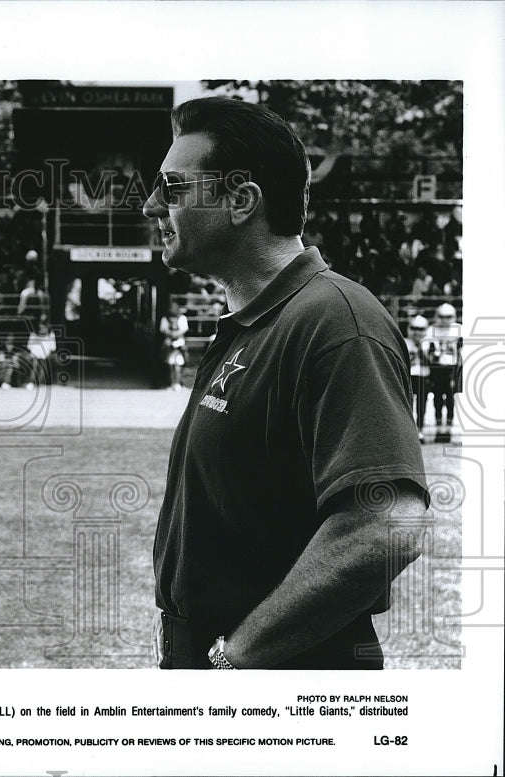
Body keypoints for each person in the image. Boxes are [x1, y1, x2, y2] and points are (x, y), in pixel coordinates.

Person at [141, 97, 428, 670]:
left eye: (171, 188)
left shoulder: (336, 320)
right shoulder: (263, 320)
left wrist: (236, 657)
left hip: (285, 678)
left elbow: (386, 521)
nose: (151, 206)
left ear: (241, 202)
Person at [423, 302, 462, 442]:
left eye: (448, 317)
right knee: (438, 398)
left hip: (452, 367)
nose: (445, 320)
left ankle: (449, 428)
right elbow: (425, 347)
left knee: (451, 399)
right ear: (437, 316)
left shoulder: (458, 329)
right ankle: (440, 428)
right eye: (442, 317)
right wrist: (433, 356)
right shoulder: (432, 329)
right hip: (437, 368)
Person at [405, 315, 432, 443]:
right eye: (414, 328)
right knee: (407, 404)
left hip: (423, 376)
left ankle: (420, 430)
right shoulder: (404, 342)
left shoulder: (428, 343)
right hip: (409, 375)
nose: (417, 332)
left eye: (421, 329)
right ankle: (408, 431)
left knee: (422, 405)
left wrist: (420, 347)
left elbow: (431, 362)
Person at [159, 301, 189, 390]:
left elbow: (184, 330)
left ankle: (179, 384)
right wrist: (171, 334)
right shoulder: (165, 319)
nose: (173, 310)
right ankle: (171, 384)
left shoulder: (182, 318)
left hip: (179, 343)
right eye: (171, 308)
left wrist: (175, 335)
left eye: (175, 307)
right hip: (169, 343)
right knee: (170, 365)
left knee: (178, 366)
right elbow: (163, 330)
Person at [25, 313, 56, 390]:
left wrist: (48, 352)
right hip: (35, 352)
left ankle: (38, 382)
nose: (42, 326)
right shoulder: (34, 333)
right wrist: (33, 352)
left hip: (45, 353)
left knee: (42, 368)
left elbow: (52, 345)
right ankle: (31, 382)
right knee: (34, 365)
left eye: (44, 324)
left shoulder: (50, 333)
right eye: (41, 323)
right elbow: (30, 344)